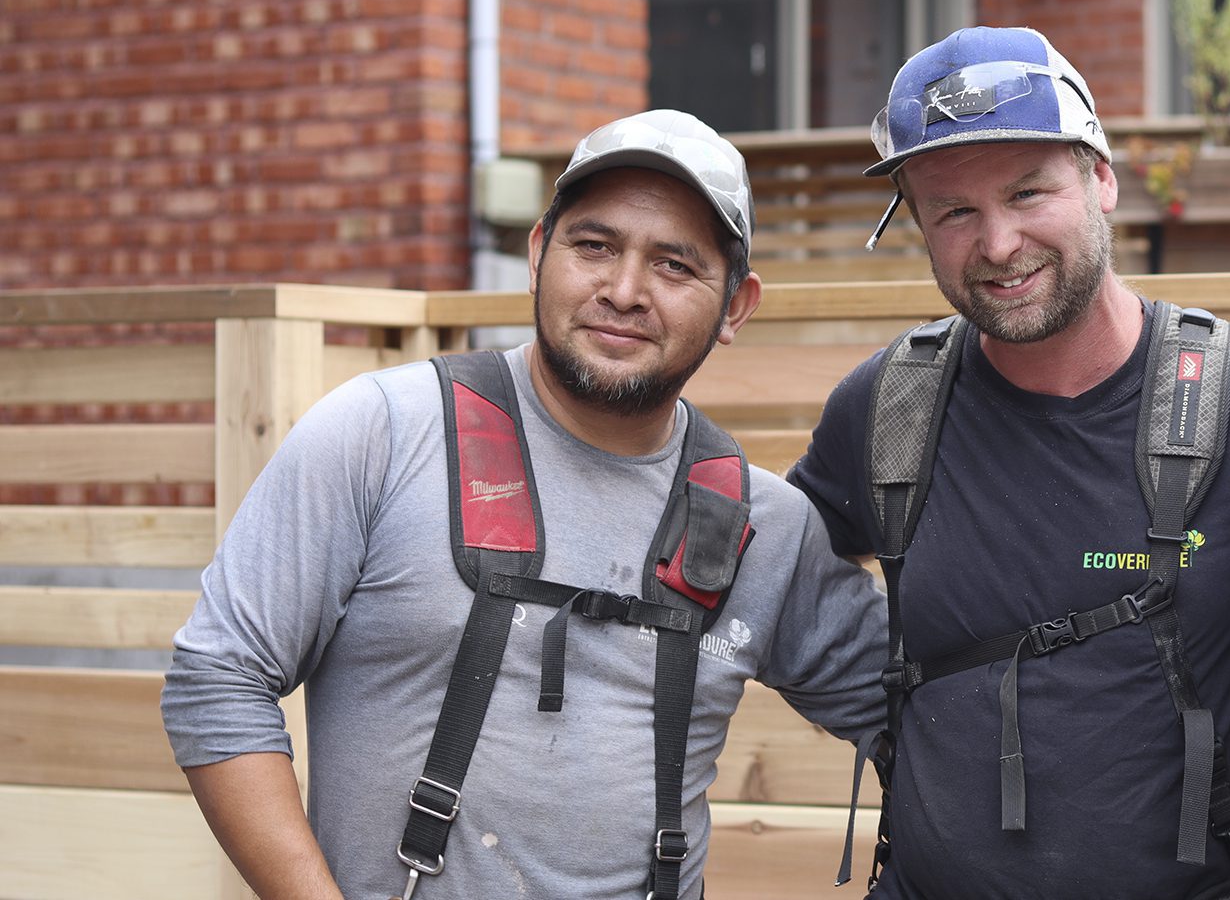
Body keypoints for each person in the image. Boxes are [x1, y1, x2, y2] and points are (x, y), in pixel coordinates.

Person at [162, 109, 889, 900]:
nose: (624, 290)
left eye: (675, 265)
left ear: (736, 307)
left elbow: (933, 716)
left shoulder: (762, 524)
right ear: (540, 252)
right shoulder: (384, 434)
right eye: (594, 246)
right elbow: (218, 678)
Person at [787, 26, 1230, 900]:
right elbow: (774, 571)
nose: (1000, 243)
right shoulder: (888, 408)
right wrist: (897, 709)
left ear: (1102, 178)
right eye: (954, 211)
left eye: (1027, 191)